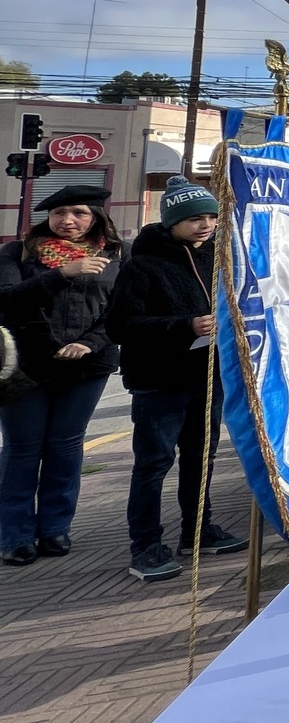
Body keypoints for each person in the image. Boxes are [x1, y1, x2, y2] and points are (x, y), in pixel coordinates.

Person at [105, 176, 249, 582]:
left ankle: (198, 530)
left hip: (207, 376)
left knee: (202, 457)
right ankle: (146, 546)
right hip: (158, 380)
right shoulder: (142, 266)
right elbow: (119, 326)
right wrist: (183, 325)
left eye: (210, 217)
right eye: (193, 219)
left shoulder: (220, 258)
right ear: (170, 222)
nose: (204, 225)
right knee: (153, 464)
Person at [0, 183, 126, 566]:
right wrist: (62, 274)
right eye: (59, 214)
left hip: (86, 365)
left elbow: (122, 311)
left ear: (96, 218)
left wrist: (91, 342)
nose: (67, 221)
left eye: (79, 213)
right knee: (22, 450)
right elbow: (6, 300)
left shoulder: (117, 255)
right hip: (24, 366)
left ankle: (55, 528)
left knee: (65, 446)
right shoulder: (17, 253)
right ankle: (15, 534)